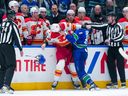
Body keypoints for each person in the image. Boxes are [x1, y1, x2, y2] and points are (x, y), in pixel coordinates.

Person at [90, 12, 126, 88]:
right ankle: (114, 82)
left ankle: (123, 82)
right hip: (111, 48)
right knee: (110, 65)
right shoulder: (107, 26)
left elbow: (121, 37)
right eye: (108, 17)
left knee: (120, 65)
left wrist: (111, 40)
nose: (107, 18)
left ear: (114, 18)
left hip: (119, 48)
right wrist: (89, 25)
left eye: (109, 17)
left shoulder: (119, 26)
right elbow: (99, 26)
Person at [43, 23, 82, 90]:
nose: (56, 32)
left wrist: (82, 26)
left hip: (70, 49)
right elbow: (48, 39)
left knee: (73, 66)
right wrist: (44, 43)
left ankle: (75, 81)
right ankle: (55, 80)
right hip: (61, 50)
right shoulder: (52, 33)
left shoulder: (65, 26)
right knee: (60, 64)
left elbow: (75, 26)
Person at [0, 10, 23, 94]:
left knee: (3, 67)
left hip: (0, 46)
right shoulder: (13, 25)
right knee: (11, 65)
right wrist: (20, 48)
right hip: (8, 46)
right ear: (13, 16)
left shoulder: (1, 25)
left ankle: (1, 86)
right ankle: (6, 85)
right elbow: (17, 37)